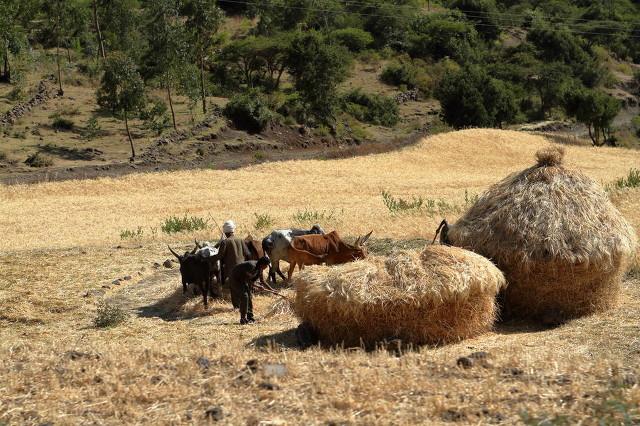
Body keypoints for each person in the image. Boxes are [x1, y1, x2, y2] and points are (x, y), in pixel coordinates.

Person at [228, 256, 272, 324]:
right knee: (244, 296)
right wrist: (258, 286)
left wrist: (272, 290)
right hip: (235, 279)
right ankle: (243, 318)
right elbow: (248, 281)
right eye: (266, 265)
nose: (267, 267)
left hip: (242, 280)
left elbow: (262, 281)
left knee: (249, 296)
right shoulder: (251, 266)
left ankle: (250, 317)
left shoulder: (260, 268)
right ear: (262, 264)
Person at [216, 220, 250, 293]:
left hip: (232, 270)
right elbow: (247, 253)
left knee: (234, 288)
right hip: (242, 267)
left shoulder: (225, 242)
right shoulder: (240, 239)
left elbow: (219, 256)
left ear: (225, 232)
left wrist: (208, 258)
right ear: (233, 231)